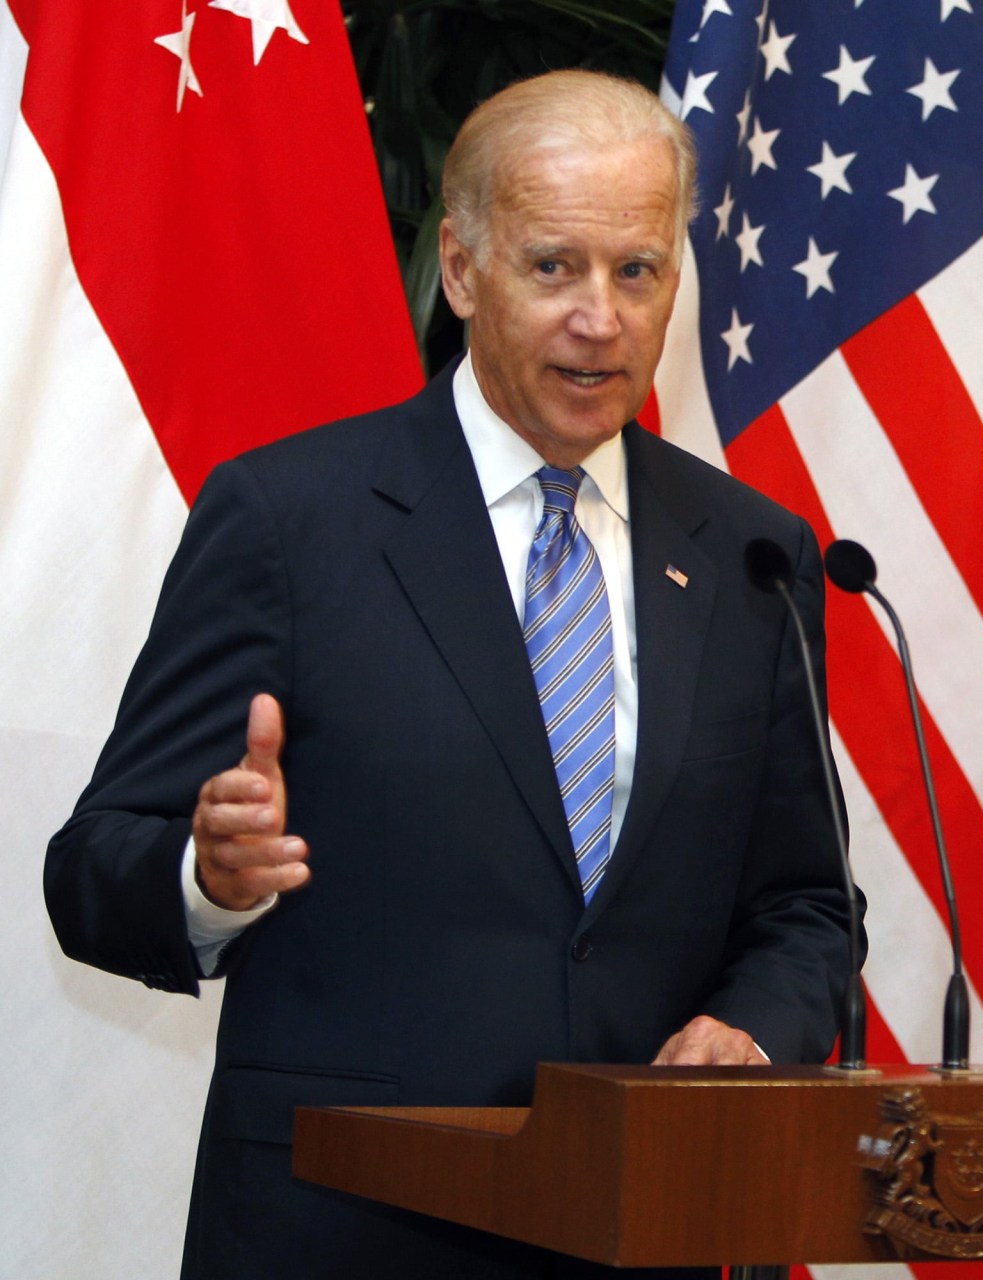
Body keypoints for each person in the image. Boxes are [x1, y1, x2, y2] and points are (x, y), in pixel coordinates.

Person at [44, 70, 853, 1280]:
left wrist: (753, 1030)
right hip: (350, 1225)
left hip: (652, 1225)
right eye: (553, 267)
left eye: (637, 270)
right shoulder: (290, 518)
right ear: (464, 269)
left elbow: (806, 906)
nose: (602, 316)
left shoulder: (752, 552)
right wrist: (209, 876)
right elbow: (91, 866)